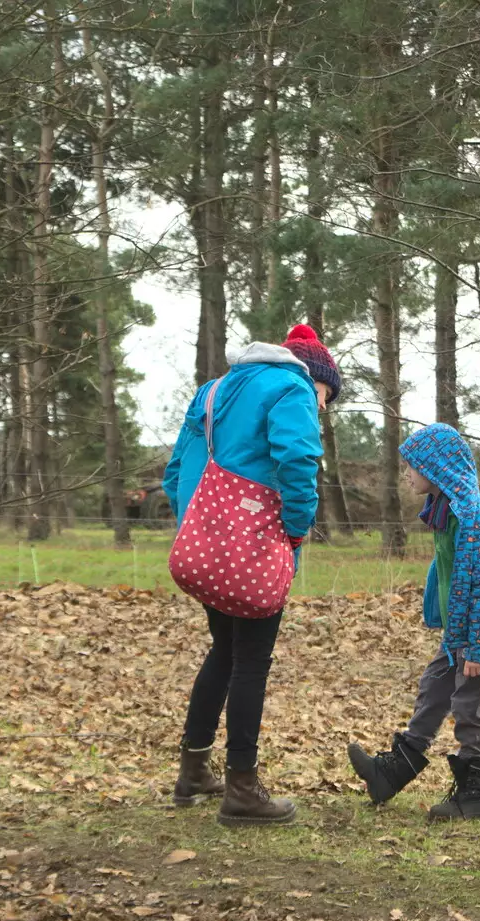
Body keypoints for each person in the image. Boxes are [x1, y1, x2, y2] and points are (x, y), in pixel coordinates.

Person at [163, 323, 342, 825]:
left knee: (223, 650)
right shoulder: (294, 387)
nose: (324, 405)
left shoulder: (213, 389)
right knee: (251, 660)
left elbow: (176, 471)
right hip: (257, 547)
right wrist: (295, 530)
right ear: (316, 375)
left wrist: (198, 526)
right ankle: (242, 787)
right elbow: (300, 460)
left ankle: (193, 771)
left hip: (202, 544)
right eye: (328, 392)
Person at [346, 423, 480, 822]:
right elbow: (448, 571)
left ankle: (475, 794)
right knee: (434, 688)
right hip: (460, 632)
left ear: (437, 468)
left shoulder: (475, 515)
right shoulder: (446, 512)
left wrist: (477, 648)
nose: (408, 473)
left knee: (468, 705)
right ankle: (391, 773)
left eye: (413, 466)